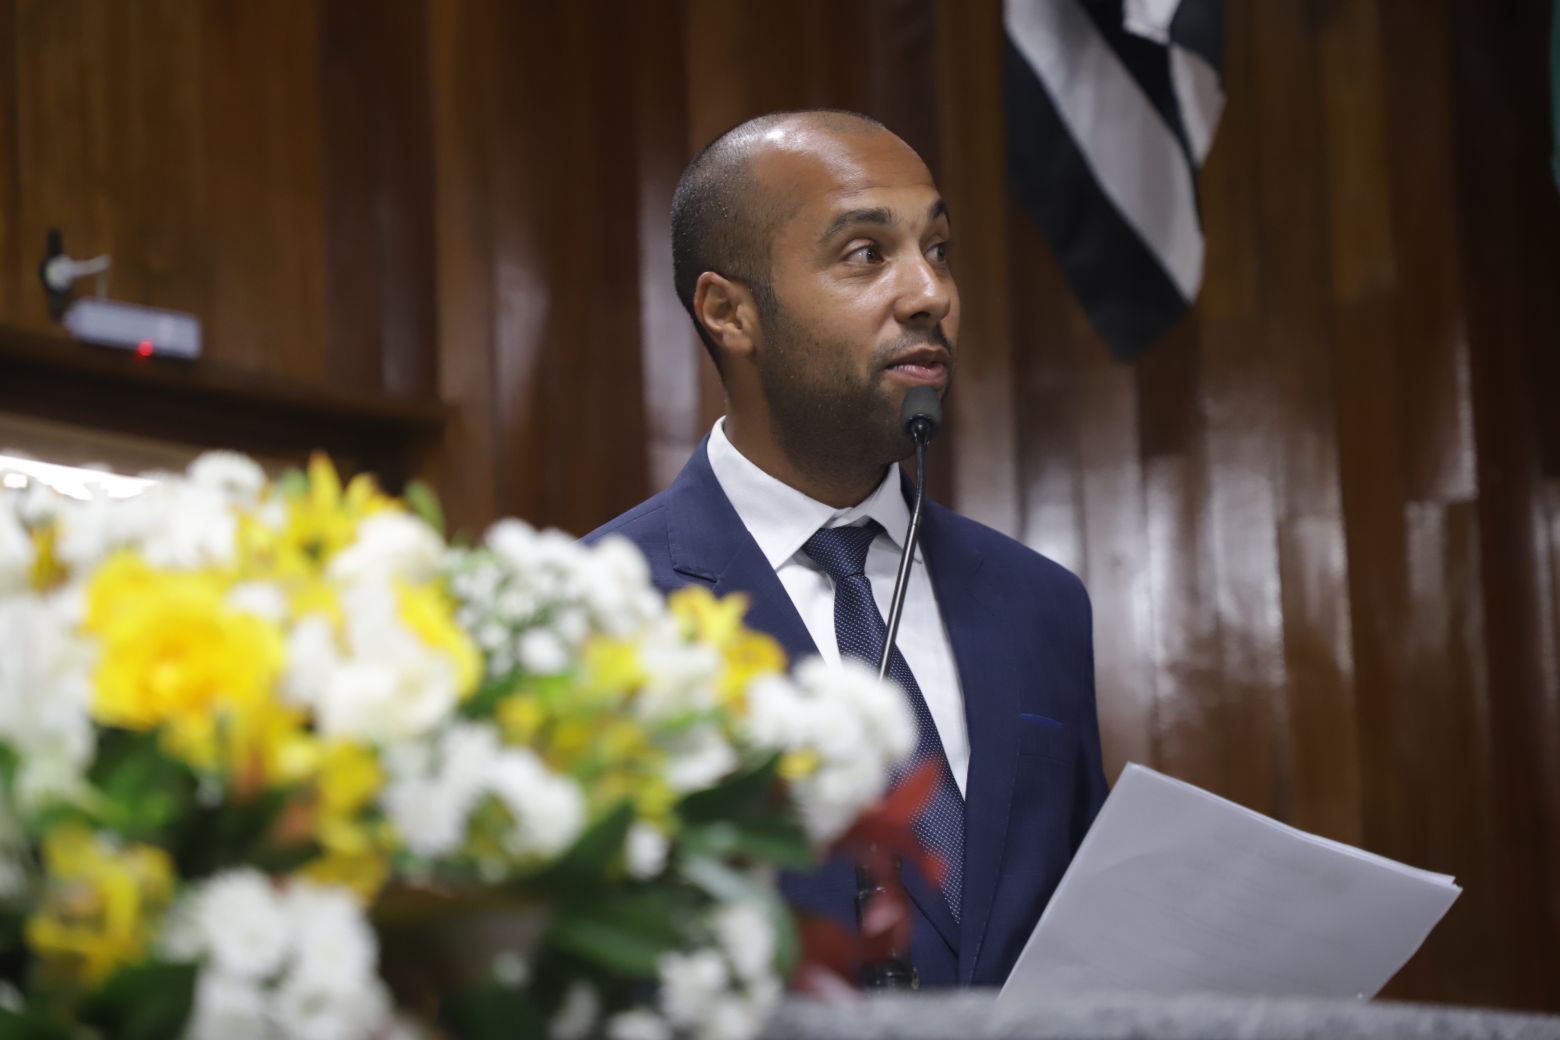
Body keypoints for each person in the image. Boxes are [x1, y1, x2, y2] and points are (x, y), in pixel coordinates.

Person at [584, 110, 1108, 987]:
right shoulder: (599, 612)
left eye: (937, 249)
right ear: (729, 312)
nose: (930, 293)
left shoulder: (1040, 603)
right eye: (866, 254)